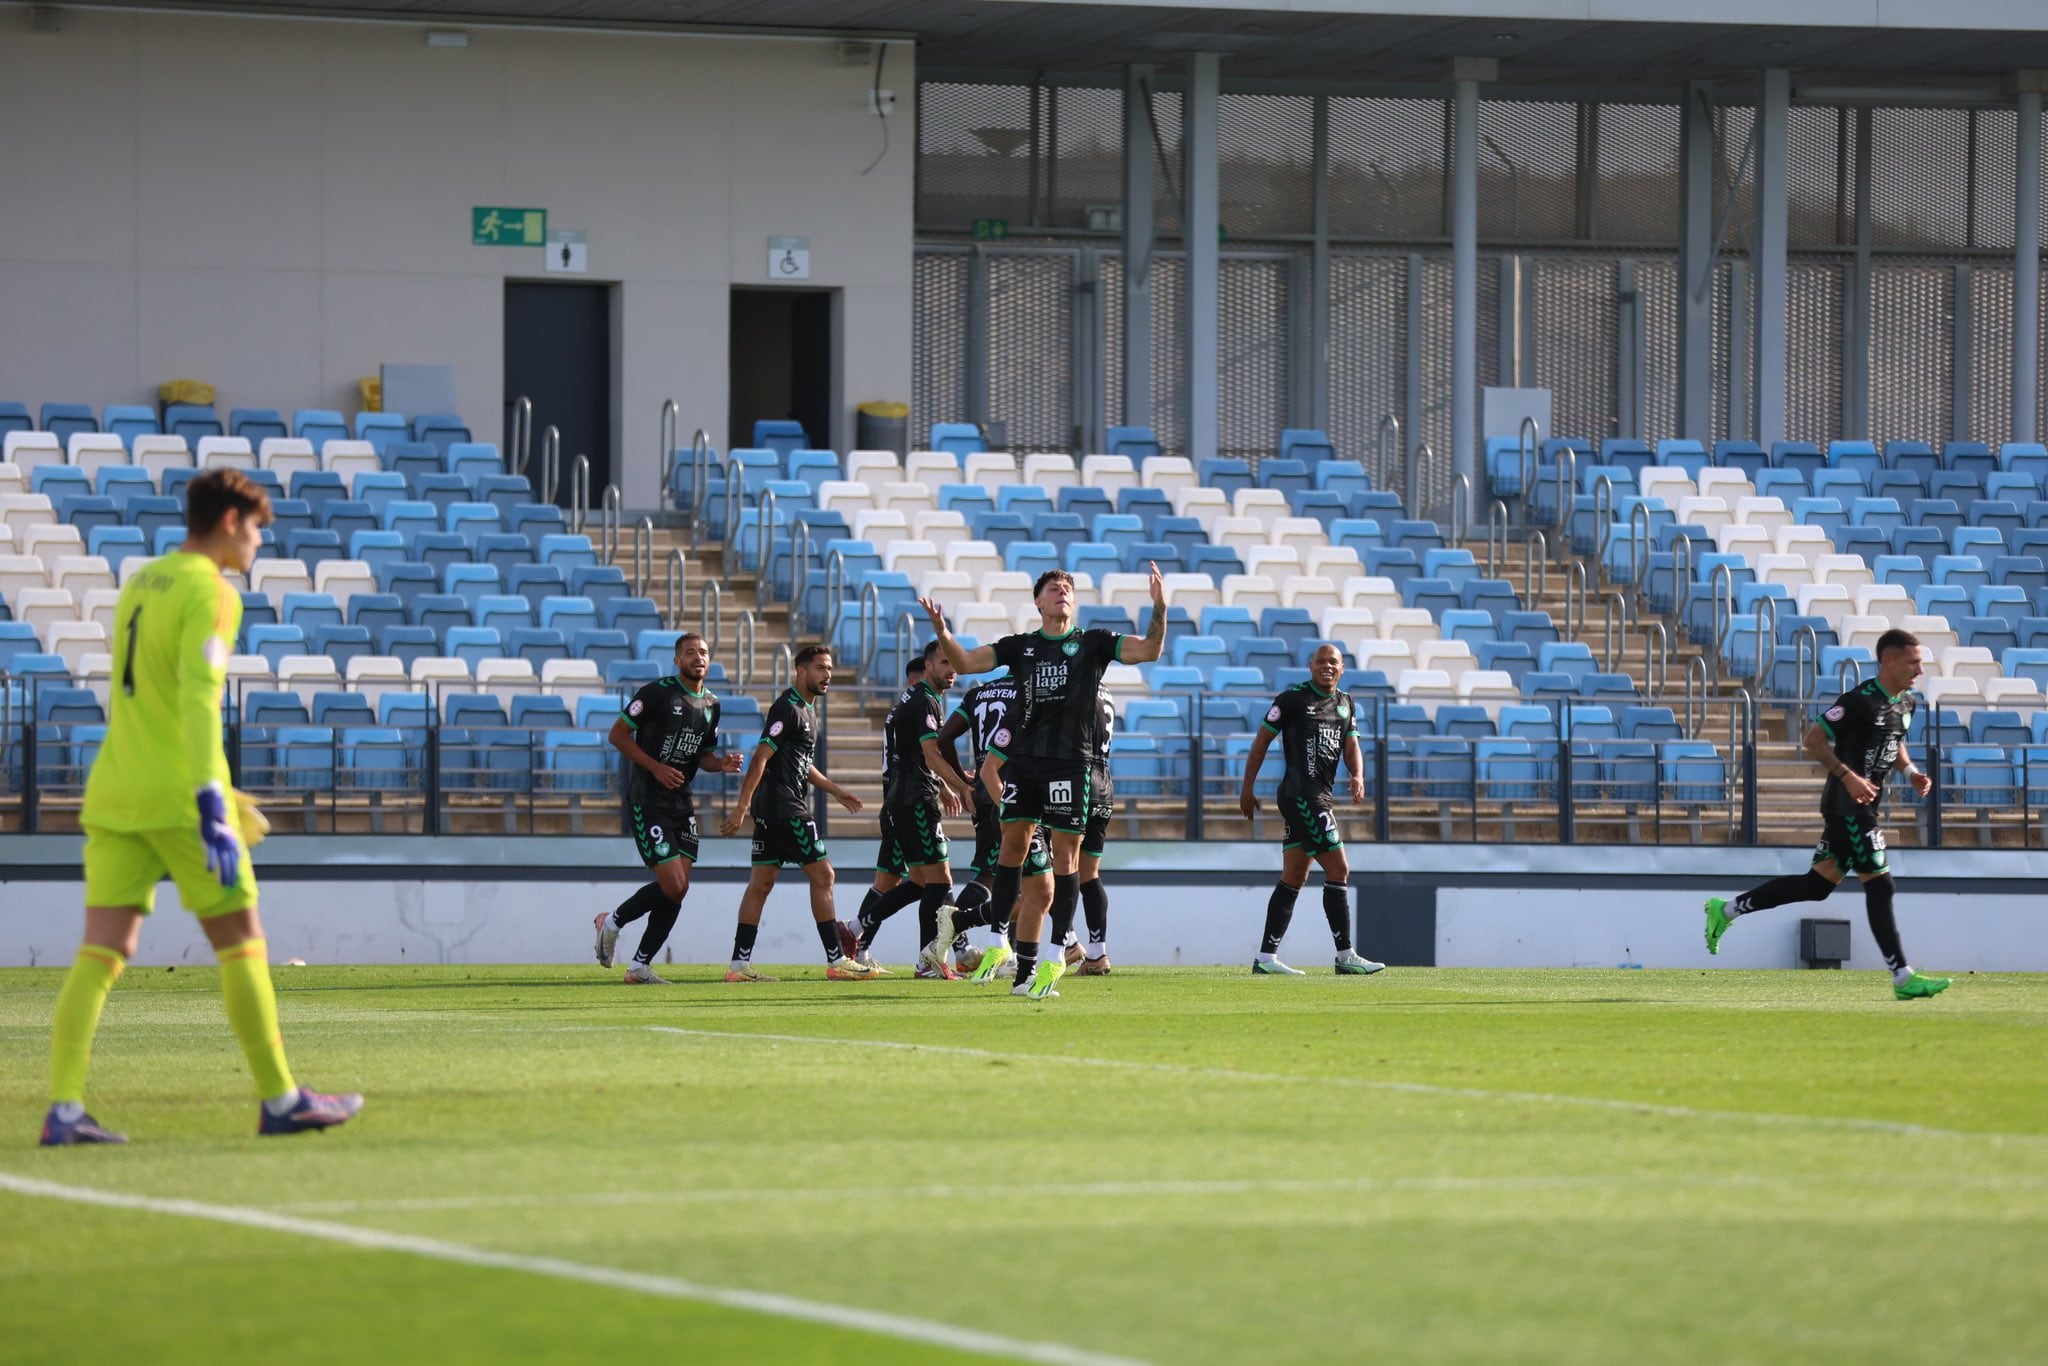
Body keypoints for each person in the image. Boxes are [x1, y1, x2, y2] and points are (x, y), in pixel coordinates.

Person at [42, 469, 362, 1145]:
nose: (256, 545)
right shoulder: (212, 593)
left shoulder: (141, 582)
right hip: (181, 798)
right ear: (227, 522)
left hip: (116, 790)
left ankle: (65, 1109)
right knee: (242, 941)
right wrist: (211, 797)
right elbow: (194, 698)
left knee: (101, 950)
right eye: (255, 530)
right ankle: (280, 1099)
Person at [923, 564, 1168, 1000]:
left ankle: (1056, 955)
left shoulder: (1094, 643)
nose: (1063, 592)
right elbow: (964, 662)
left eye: (1068, 588)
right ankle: (1009, 956)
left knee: (1065, 859)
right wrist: (942, 631)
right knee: (1011, 853)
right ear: (1038, 602)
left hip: (1071, 767)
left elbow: (1150, 650)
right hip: (1023, 766)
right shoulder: (1021, 648)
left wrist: (1159, 607)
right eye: (1054, 588)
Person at [1704, 629, 1951, 999]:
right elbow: (1813, 738)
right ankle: (1903, 977)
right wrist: (1848, 777)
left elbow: (1894, 743)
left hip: (1866, 805)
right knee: (1880, 883)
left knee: (1816, 886)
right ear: (1889, 660)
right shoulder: (1859, 701)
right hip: (1847, 806)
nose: (1919, 669)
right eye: (1913, 662)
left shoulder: (1906, 703)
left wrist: (1912, 772)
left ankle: (1726, 910)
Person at [717, 644, 879, 980]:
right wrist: (740, 808)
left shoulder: (809, 711)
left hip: (775, 808)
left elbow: (802, 765)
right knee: (824, 876)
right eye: (820, 668)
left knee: (760, 883)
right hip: (783, 807)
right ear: (800, 670)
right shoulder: (787, 708)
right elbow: (760, 757)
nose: (827, 675)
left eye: (830, 669)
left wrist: (836, 790)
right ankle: (837, 961)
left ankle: (738, 966)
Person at [592, 632, 743, 984]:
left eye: (703, 651)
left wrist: (719, 764)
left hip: (681, 801)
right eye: (690, 652)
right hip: (648, 799)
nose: (698, 657)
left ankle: (639, 966)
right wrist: (655, 767)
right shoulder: (657, 693)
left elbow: (702, 755)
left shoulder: (711, 704)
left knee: (679, 888)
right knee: (674, 886)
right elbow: (618, 735)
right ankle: (611, 921)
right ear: (677, 661)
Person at [1238, 643, 1385, 977]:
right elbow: (1261, 742)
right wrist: (1246, 787)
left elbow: (1352, 745)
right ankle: (1346, 955)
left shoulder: (1346, 704)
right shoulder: (1292, 699)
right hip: (1301, 796)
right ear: (1310, 666)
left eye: (1332, 662)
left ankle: (1265, 957)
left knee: (1294, 876)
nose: (1326, 666)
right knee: (1339, 869)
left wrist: (1358, 775)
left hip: (1320, 795)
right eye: (1320, 661)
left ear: (1342, 668)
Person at [841, 641, 977, 973]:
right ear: (927, 667)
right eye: (944, 662)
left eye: (954, 664)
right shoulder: (925, 701)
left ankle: (856, 929)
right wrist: (963, 787)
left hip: (904, 798)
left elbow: (920, 755)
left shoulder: (915, 700)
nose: (951, 669)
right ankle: (927, 959)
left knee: (918, 881)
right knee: (939, 881)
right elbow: (931, 754)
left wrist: (948, 782)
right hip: (915, 800)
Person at [930, 669, 1024, 976]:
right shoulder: (1027, 693)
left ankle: (1006, 951)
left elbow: (944, 737)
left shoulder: (978, 693)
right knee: (1000, 874)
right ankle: (949, 942)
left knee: (998, 872)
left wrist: (963, 781)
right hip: (1010, 791)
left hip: (983, 789)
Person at [1050, 689, 1116, 974]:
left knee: (1053, 872)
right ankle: (1097, 953)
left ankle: (1068, 942)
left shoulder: (1074, 691)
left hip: (1077, 780)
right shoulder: (1107, 693)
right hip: (1104, 782)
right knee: (1089, 875)